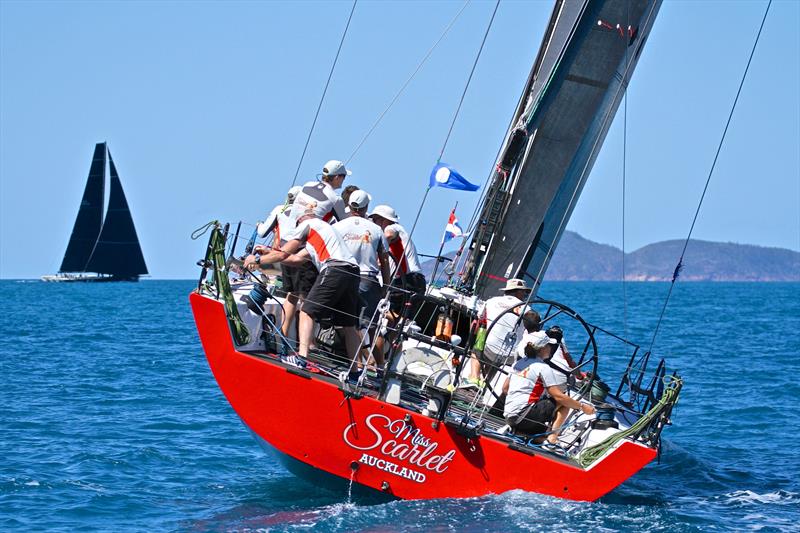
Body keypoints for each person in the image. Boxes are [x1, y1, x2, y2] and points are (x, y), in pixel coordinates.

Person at [246, 212, 363, 368]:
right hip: (353, 272)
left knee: (307, 311)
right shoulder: (323, 231)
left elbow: (283, 254)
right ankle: (355, 370)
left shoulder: (307, 225)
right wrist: (267, 254)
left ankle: (301, 359)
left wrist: (256, 260)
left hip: (334, 268)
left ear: (300, 221)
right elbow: (295, 259)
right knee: (348, 325)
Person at [502, 330, 596, 447]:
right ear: (542, 349)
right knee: (565, 400)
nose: (550, 348)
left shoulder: (519, 363)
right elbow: (559, 397)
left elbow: (505, 389)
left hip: (509, 415)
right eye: (548, 345)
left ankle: (522, 432)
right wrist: (582, 407)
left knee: (544, 406)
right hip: (524, 417)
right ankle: (553, 437)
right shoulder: (543, 367)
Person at [332, 190, 391, 366]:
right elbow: (385, 260)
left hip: (344, 276)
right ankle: (377, 366)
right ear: (366, 207)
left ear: (349, 205)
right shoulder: (376, 230)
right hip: (368, 279)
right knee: (371, 327)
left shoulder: (338, 226)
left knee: (348, 322)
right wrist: (386, 286)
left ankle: (358, 363)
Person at [368, 205, 426, 358]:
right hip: (415, 281)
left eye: (375, 219)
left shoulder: (394, 227)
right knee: (394, 329)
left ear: (384, 220)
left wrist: (372, 247)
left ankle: (403, 322)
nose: (373, 223)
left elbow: (388, 235)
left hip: (407, 280)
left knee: (377, 307)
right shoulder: (398, 235)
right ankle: (386, 361)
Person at [464, 279, 532, 387]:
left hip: (489, 351)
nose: (525, 295)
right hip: (510, 358)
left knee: (477, 347)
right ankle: (485, 383)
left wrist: (470, 341)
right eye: (524, 292)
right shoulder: (527, 309)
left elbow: (476, 323)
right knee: (498, 356)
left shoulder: (491, 301)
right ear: (518, 292)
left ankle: (473, 378)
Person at [290, 159, 350, 224]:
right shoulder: (336, 199)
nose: (344, 179)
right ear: (337, 177)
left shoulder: (307, 184)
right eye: (344, 176)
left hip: (289, 228)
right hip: (306, 232)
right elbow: (345, 223)